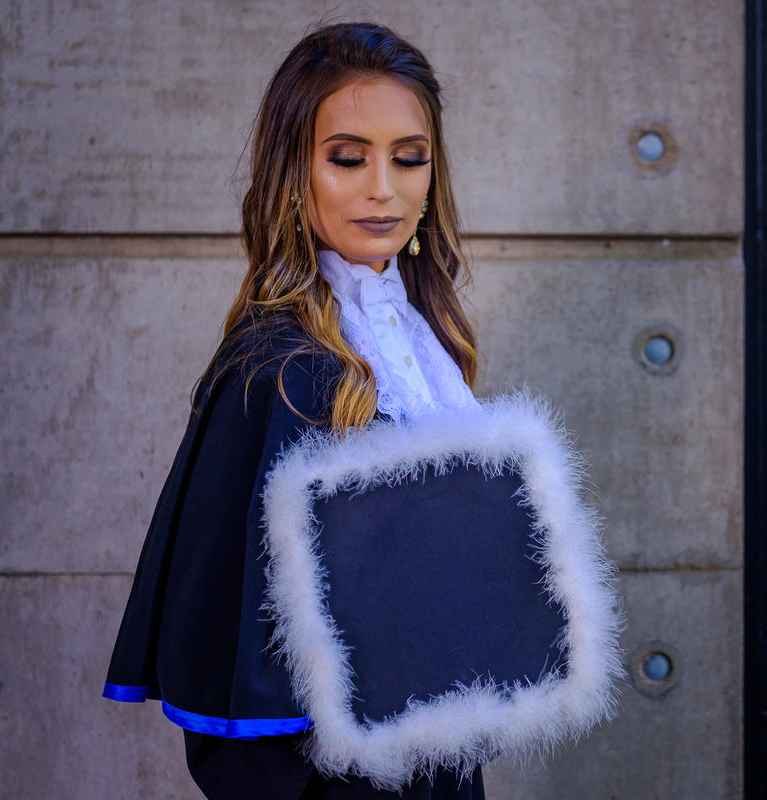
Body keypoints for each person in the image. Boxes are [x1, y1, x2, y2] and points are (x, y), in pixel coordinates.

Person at [102, 21, 486, 799]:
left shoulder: (425, 340)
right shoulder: (278, 371)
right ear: (293, 172)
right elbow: (239, 677)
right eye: (348, 158)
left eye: (410, 158)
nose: (385, 187)